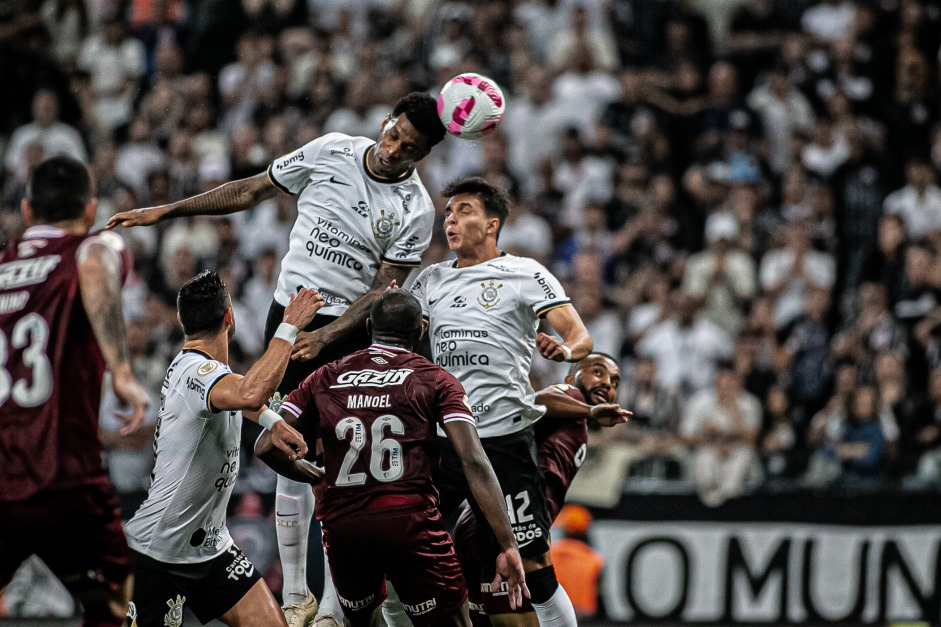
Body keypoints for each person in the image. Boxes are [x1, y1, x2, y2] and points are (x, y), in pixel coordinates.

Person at [108, 92, 447, 625]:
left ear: (421, 155)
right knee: (285, 446)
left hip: (346, 332)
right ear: (386, 121)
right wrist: (170, 210)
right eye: (393, 133)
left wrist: (328, 334)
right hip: (286, 317)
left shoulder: (415, 210)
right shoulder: (332, 149)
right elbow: (251, 189)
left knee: (340, 466)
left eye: (407, 148)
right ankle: (295, 596)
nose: (393, 149)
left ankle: (334, 608)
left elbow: (383, 290)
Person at [254, 289, 528, 627]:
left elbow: (266, 446)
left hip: (345, 525)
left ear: (369, 327)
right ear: (421, 332)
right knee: (455, 619)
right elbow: (472, 459)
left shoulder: (324, 376)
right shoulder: (436, 379)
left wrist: (315, 476)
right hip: (410, 521)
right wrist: (508, 544)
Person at [410, 177, 593, 627]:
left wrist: (564, 351)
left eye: (464, 210)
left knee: (536, 569)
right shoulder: (430, 280)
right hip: (447, 438)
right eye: (448, 211)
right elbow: (397, 338)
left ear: (492, 224)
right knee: (408, 551)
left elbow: (580, 336)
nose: (451, 219)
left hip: (505, 439)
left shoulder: (526, 273)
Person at [123, 271, 324, 627]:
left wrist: (271, 422)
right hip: (160, 553)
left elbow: (240, 396)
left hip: (211, 550)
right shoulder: (196, 372)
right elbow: (249, 392)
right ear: (229, 318)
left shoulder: (202, 372)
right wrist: (288, 326)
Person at [0, 156, 149, 627]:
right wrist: (121, 369)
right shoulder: (91, 247)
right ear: (90, 210)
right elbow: (95, 260)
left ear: (27, 211)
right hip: (67, 480)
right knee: (121, 606)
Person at [452, 353, 630, 626]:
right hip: (507, 523)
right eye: (598, 372)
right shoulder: (572, 396)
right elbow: (536, 402)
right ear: (570, 378)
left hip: (481, 521)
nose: (607, 383)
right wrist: (589, 410)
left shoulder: (574, 420)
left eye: (615, 380)